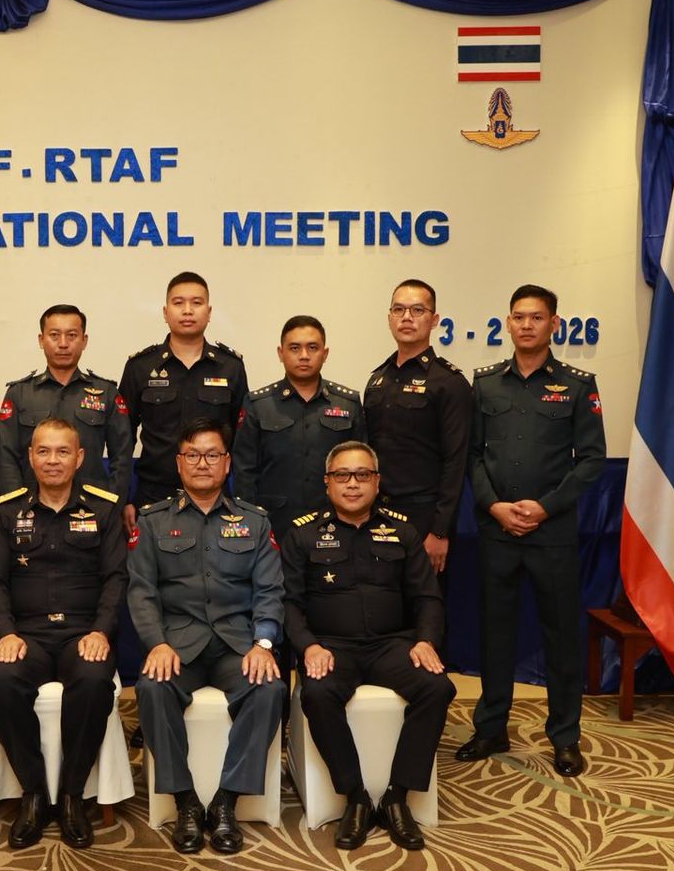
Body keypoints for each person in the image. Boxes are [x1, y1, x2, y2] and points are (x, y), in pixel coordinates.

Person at [462, 284, 606, 778]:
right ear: (508, 323)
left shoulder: (577, 385)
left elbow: (591, 461)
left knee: (562, 638)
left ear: (554, 325)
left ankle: (565, 737)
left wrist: (544, 508)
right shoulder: (486, 384)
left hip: (553, 534)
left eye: (537, 317)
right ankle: (491, 728)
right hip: (497, 531)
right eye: (519, 317)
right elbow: (473, 456)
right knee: (495, 634)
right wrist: (494, 506)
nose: (527, 325)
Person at [281, 442, 454, 851]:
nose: (352, 484)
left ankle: (397, 795)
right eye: (342, 475)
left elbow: (427, 598)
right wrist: (308, 647)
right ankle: (355, 796)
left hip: (391, 646)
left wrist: (425, 641)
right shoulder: (302, 533)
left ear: (377, 482)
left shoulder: (403, 531)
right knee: (317, 693)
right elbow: (287, 602)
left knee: (437, 687)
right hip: (331, 648)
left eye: (362, 475)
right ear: (327, 483)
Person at [129, 418, 286, 855]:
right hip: (178, 646)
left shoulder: (254, 522)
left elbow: (270, 591)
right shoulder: (154, 521)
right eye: (193, 455)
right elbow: (141, 591)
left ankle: (225, 802)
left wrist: (264, 643)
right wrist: (157, 643)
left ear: (227, 462)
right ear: (179, 463)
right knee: (152, 687)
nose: (203, 463)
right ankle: (185, 802)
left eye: (212, 454)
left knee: (270, 688)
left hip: (237, 644)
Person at [0, 418, 127, 849]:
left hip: (82, 633)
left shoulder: (104, 509)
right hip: (26, 635)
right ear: (30, 457)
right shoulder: (8, 511)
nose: (52, 460)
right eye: (43, 451)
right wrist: (5, 633)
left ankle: (71, 794)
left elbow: (116, 579)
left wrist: (101, 632)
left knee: (95, 681)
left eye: (63, 451)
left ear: (79, 458)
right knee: (1, 682)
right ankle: (33, 792)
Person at [118, 273, 247, 529]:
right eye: (178, 303)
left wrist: (241, 501)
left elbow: (242, 441)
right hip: (153, 497)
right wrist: (124, 500)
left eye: (196, 303)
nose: (188, 310)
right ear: (165, 312)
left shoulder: (230, 367)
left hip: (215, 499)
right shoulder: (140, 367)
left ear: (209, 312)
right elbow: (122, 440)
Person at [363, 279, 474, 577]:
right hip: (378, 513)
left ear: (434, 320)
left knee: (426, 600)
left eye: (417, 310)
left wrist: (440, 531)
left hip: (424, 517)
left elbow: (456, 461)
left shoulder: (449, 382)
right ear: (389, 318)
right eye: (399, 309)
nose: (407, 317)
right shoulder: (377, 380)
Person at [232, 314, 364, 539]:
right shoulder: (258, 404)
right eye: (294, 348)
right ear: (280, 353)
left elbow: (361, 470)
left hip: (335, 523)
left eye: (313, 347)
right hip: (273, 524)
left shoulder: (347, 404)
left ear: (325, 354)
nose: (304, 355)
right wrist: (250, 526)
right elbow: (244, 472)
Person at [0, 304, 131, 501]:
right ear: (41, 340)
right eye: (54, 335)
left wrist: (112, 506)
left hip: (93, 507)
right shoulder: (19, 393)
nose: (63, 344)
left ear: (84, 341)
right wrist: (16, 506)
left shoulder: (107, 393)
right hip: (32, 507)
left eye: (72, 335)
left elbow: (122, 457)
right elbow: (6, 457)